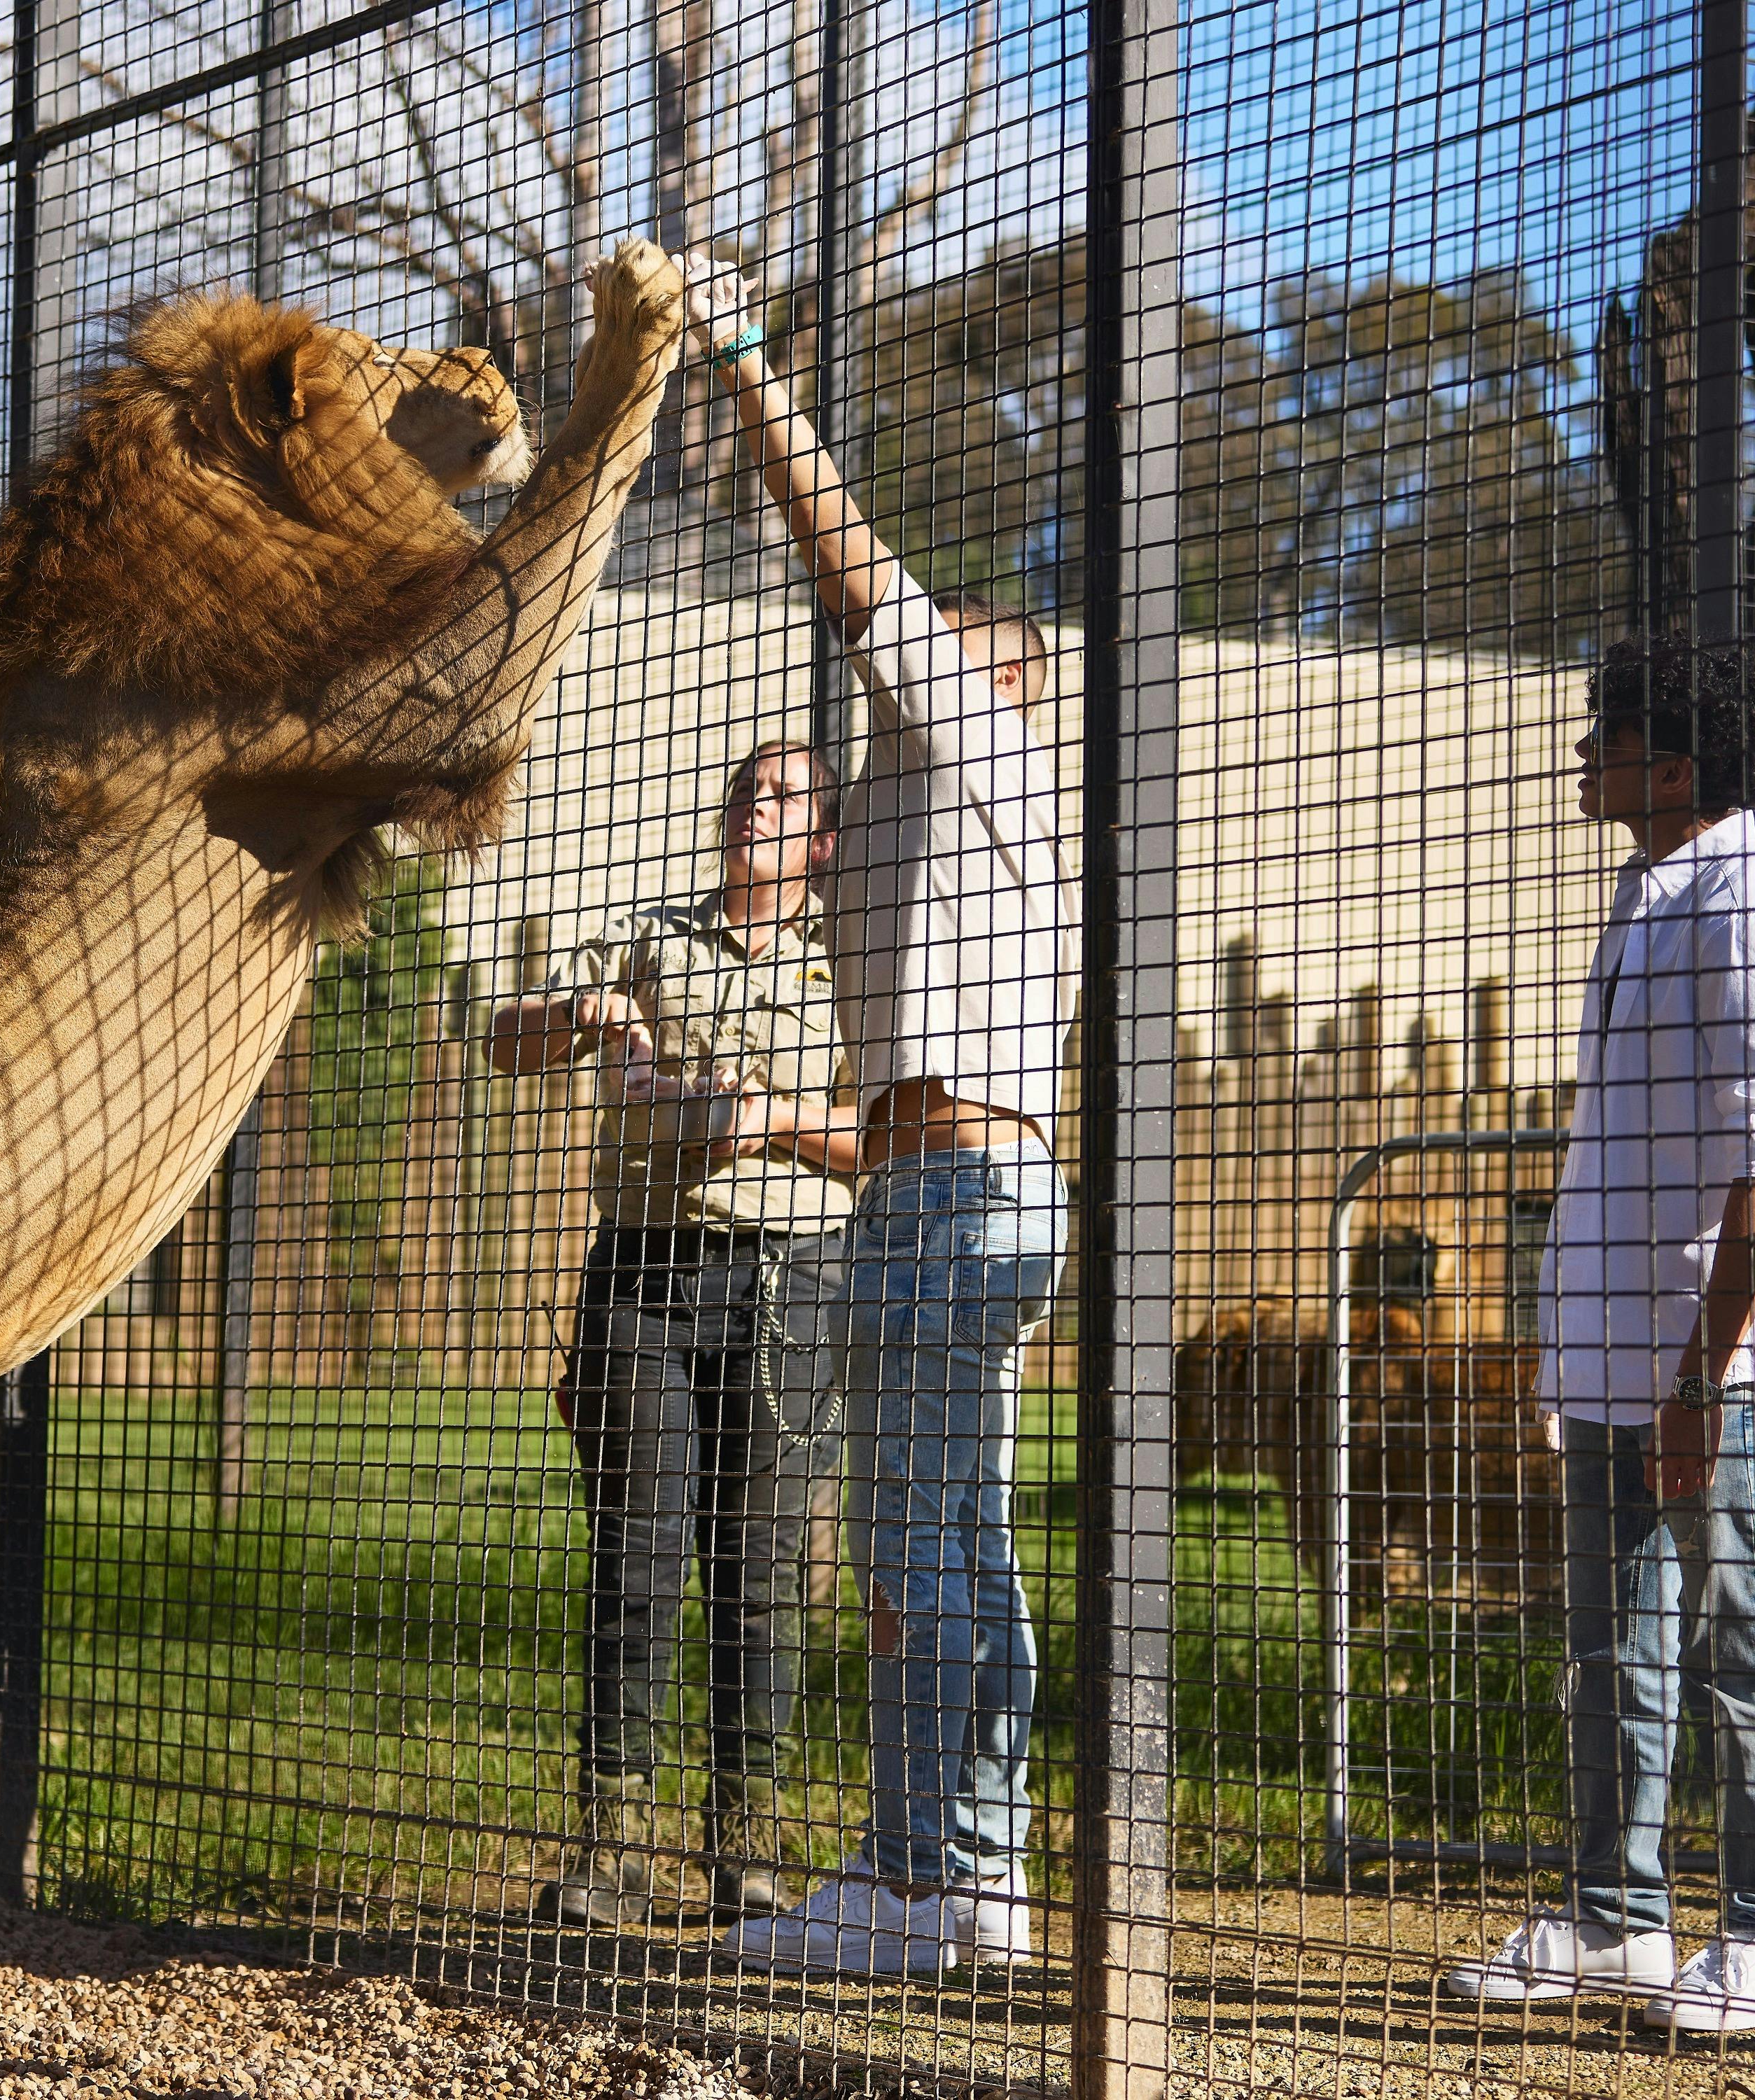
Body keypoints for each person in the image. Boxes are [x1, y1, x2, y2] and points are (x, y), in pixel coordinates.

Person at [677, 264, 1079, 1976]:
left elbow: (851, 571)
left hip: (955, 1193)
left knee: (918, 1544)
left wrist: (750, 365)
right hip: (950, 1182)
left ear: (1006, 690)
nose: (910, 671)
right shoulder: (952, 824)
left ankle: (923, 1880)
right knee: (947, 1537)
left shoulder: (986, 744)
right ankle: (950, 1870)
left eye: (953, 653)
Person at [1438, 636, 1755, 2035]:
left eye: (1598, 736)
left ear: (1668, 768)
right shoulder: (1648, 899)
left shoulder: (1750, 909)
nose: (1577, 756)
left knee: (1744, 1635)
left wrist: (1698, 1373)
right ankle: (1610, 1918)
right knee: (1610, 1644)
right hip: (1616, 1361)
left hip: (1706, 1369)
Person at [487, 739, 860, 1924]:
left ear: (821, 842)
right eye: (743, 787)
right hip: (643, 1276)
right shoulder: (652, 937)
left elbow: (887, 1136)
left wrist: (780, 1127)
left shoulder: (858, 962)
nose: (756, 803)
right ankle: (613, 1847)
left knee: (759, 1576)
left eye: (785, 795)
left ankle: (747, 1851)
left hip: (794, 1281)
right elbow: (507, 1040)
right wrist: (574, 1013)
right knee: (638, 1557)